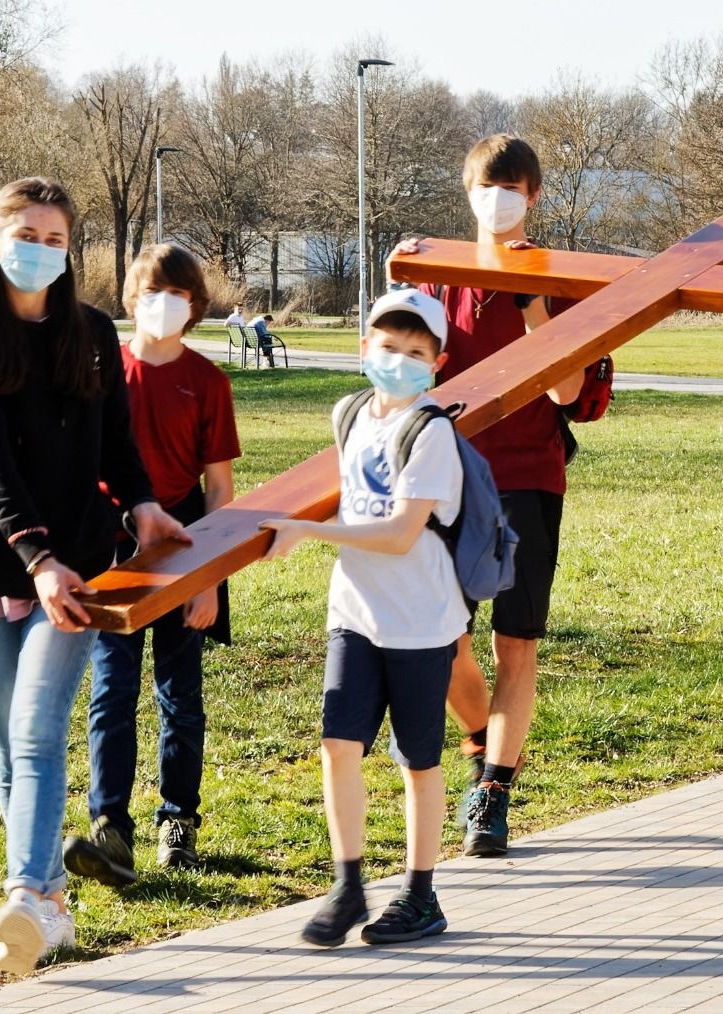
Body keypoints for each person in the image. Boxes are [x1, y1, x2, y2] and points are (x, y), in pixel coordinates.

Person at [0, 177, 190, 974]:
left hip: (76, 566)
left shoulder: (88, 332)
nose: (40, 249)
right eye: (26, 233)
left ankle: (25, 895)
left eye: (54, 237)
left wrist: (143, 502)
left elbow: (116, 437)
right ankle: (52, 907)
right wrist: (32, 558)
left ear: (70, 248)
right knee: (10, 751)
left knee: (39, 734)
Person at [390, 133, 585, 858]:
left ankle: (494, 790)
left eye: (513, 188)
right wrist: (397, 277)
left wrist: (535, 306)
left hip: (530, 478)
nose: (497, 200)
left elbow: (571, 390)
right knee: (442, 640)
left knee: (517, 642)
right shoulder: (436, 277)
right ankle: (482, 742)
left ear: (532, 197)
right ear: (466, 192)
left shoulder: (560, 279)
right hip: (448, 480)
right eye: (484, 187)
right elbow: (396, 373)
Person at [258, 289, 462, 947]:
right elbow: (346, 497)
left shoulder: (432, 432)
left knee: (418, 761)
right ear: (364, 347)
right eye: (387, 347)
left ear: (437, 360)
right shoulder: (349, 414)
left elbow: (402, 532)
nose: (398, 361)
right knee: (338, 745)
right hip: (355, 613)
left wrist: (312, 534)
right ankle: (348, 886)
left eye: (414, 352)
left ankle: (421, 895)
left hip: (421, 621)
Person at [61, 244, 240, 886]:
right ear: (131, 296)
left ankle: (178, 821)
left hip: (187, 544)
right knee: (111, 692)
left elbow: (220, 490)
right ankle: (110, 826)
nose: (164, 304)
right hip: (111, 550)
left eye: (180, 295)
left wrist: (210, 577)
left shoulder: (209, 382)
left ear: (194, 308)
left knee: (179, 694)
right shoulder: (101, 373)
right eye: (152, 291)